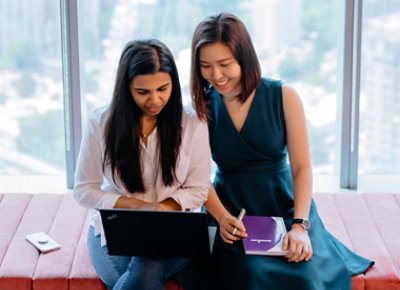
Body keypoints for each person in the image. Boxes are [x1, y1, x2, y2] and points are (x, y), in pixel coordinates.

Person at [177, 12, 374, 290]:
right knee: (251, 273)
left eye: (224, 64)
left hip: (285, 204)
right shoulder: (200, 108)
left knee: (305, 274)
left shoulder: (284, 96)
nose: (216, 75)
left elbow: (301, 168)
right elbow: (198, 175)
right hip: (232, 211)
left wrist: (300, 226)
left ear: (244, 58)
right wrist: (221, 218)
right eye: (205, 66)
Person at [73, 39, 211, 290]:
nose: (155, 99)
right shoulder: (101, 122)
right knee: (142, 276)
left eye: (163, 88)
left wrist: (162, 208)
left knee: (143, 271)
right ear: (126, 88)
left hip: (175, 226)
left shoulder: (192, 123)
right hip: (116, 225)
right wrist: (136, 206)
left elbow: (200, 189)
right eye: (143, 92)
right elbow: (83, 190)